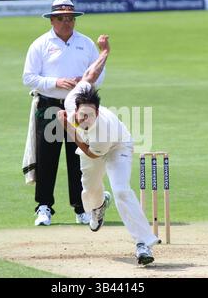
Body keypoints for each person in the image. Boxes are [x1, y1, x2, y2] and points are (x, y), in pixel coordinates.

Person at [57, 35, 159, 265]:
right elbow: (89, 76)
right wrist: (104, 53)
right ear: (75, 107)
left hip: (116, 145)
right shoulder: (72, 99)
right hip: (90, 147)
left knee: (122, 190)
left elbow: (93, 153)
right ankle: (99, 204)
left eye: (90, 115)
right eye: (82, 115)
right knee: (89, 190)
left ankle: (143, 243)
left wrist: (68, 129)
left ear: (98, 111)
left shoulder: (101, 129)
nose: (85, 119)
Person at [22, 0, 105, 226]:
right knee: (47, 157)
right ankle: (44, 207)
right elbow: (28, 78)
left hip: (79, 107)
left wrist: (83, 83)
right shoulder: (40, 44)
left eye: (70, 18)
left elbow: (101, 74)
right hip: (49, 105)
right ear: (52, 20)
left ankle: (81, 207)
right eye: (61, 18)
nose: (67, 22)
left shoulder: (86, 43)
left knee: (78, 157)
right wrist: (57, 81)